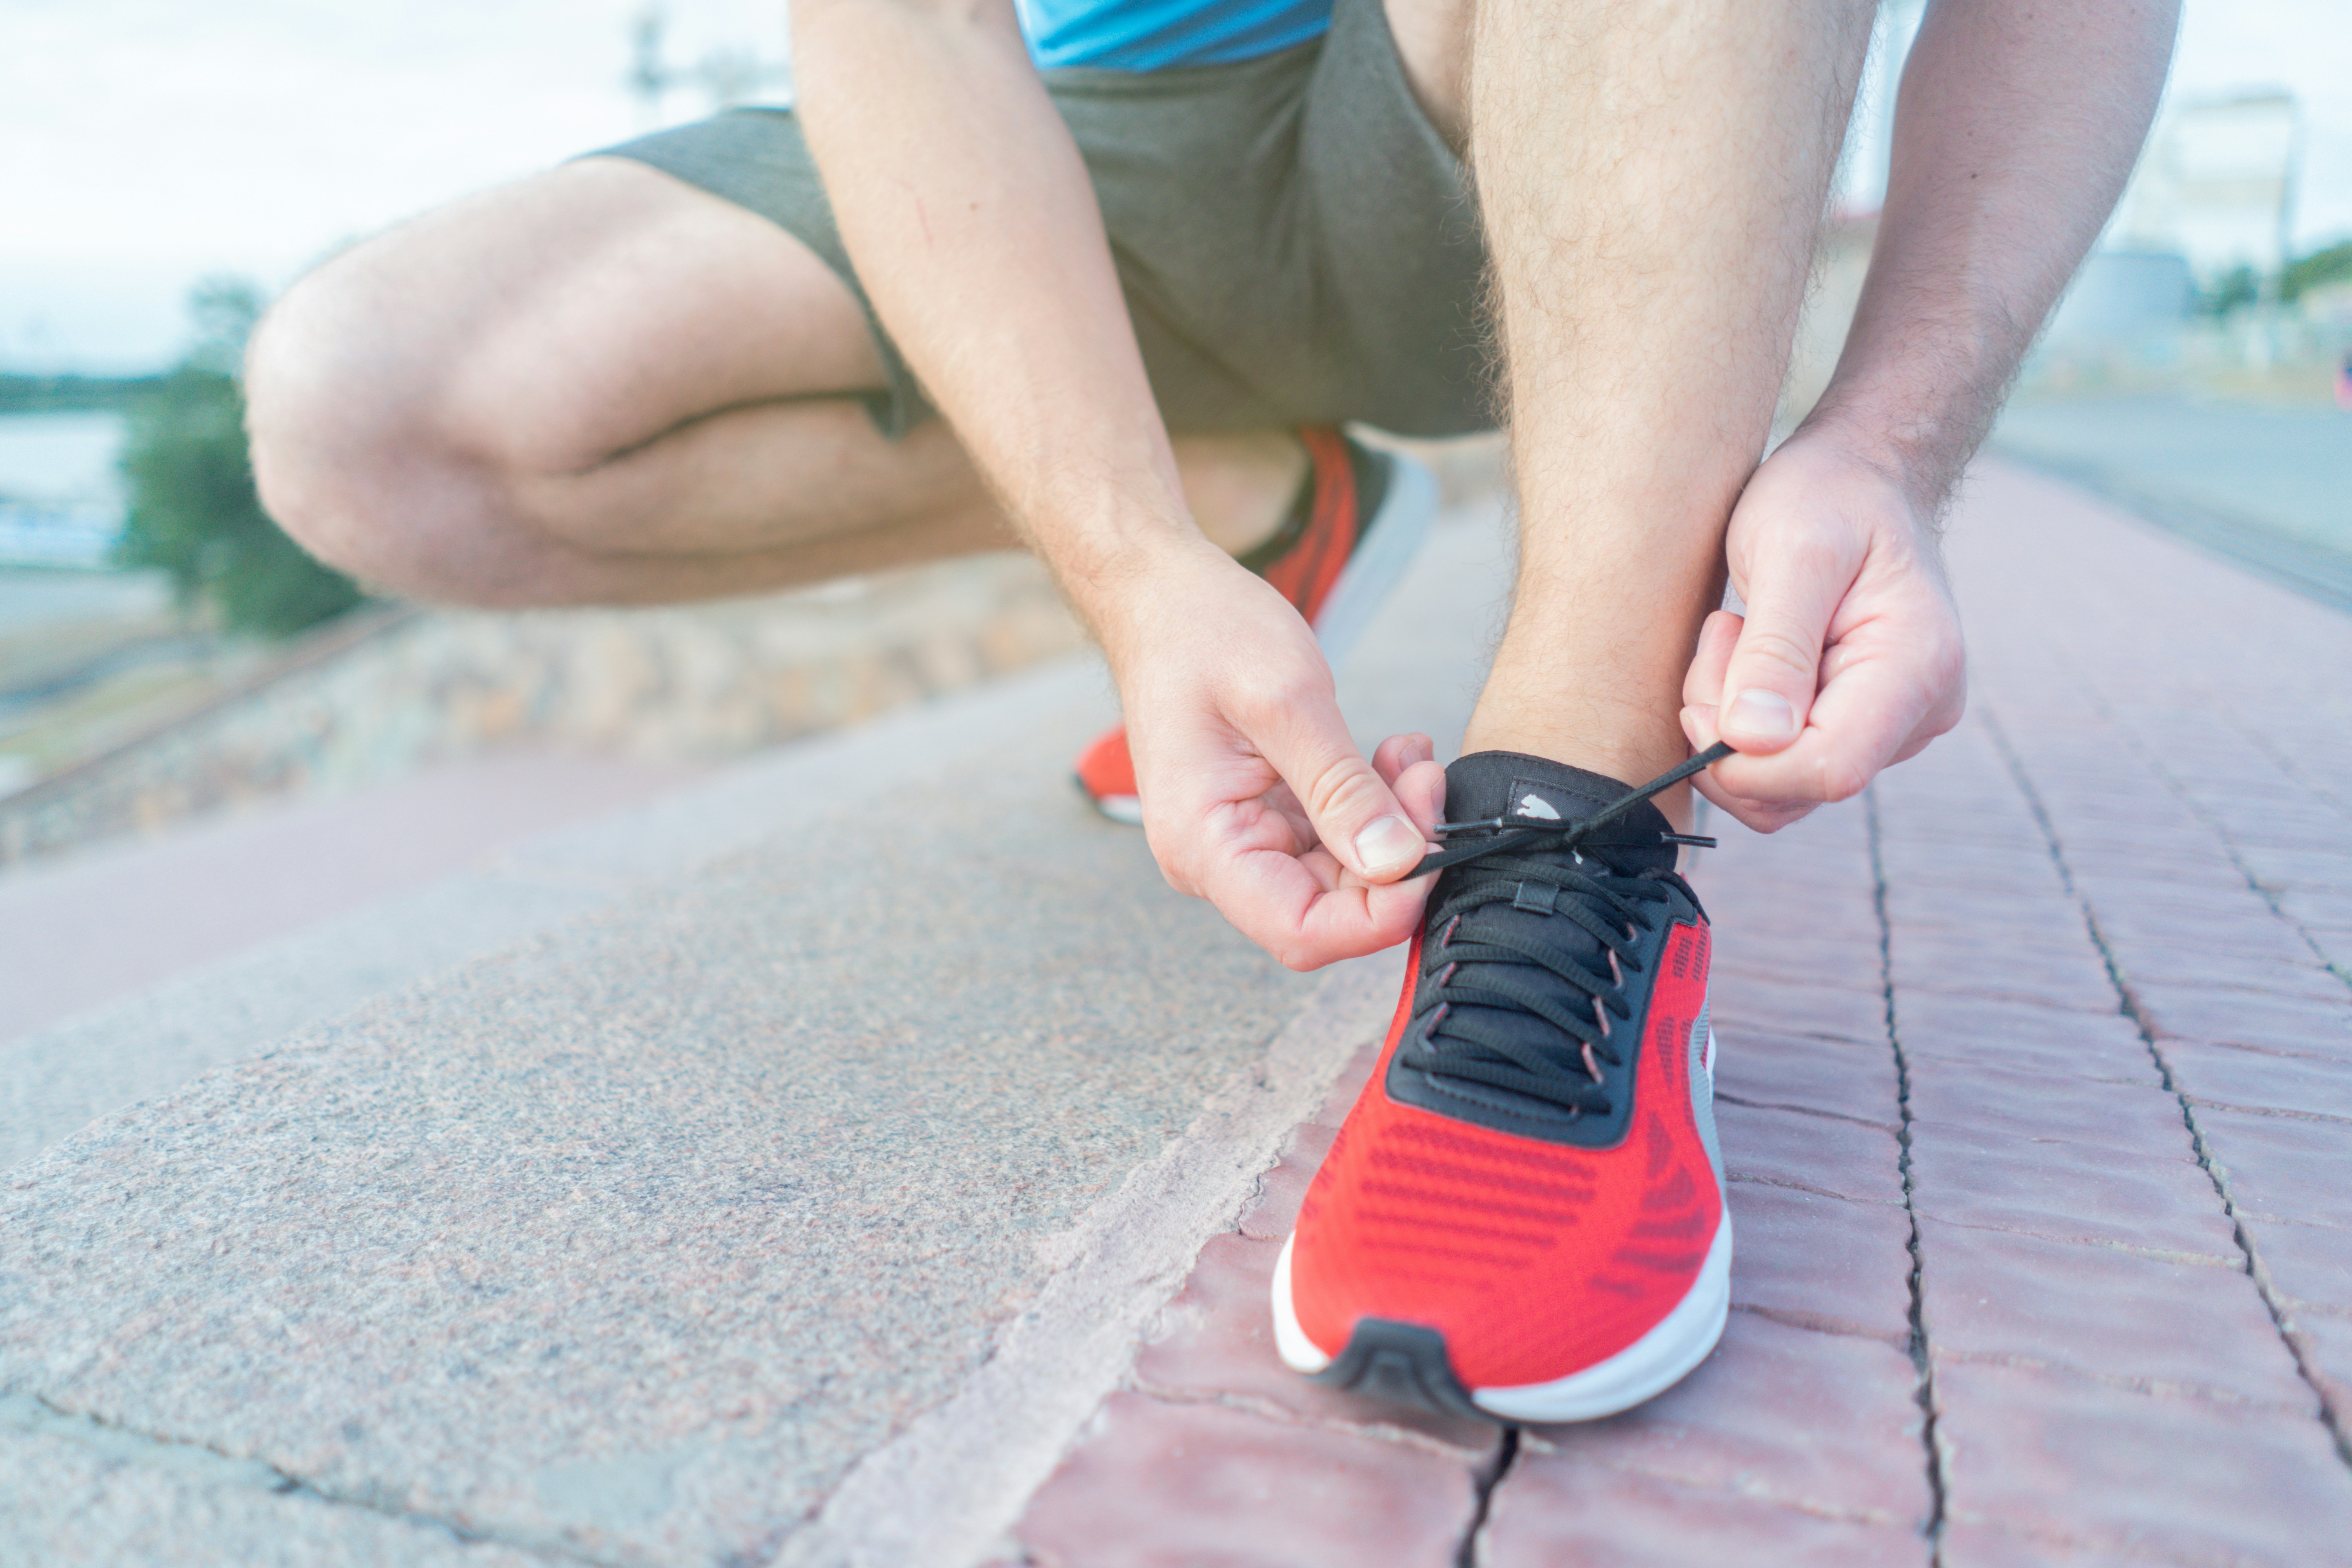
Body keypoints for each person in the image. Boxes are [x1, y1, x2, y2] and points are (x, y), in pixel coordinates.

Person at [242, 0, 2177, 1423]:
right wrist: (1135, 562)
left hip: (1506, 90)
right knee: (363, 416)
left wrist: (1890, 442)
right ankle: (1272, 505)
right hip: (1072, 142)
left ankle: (1565, 844)